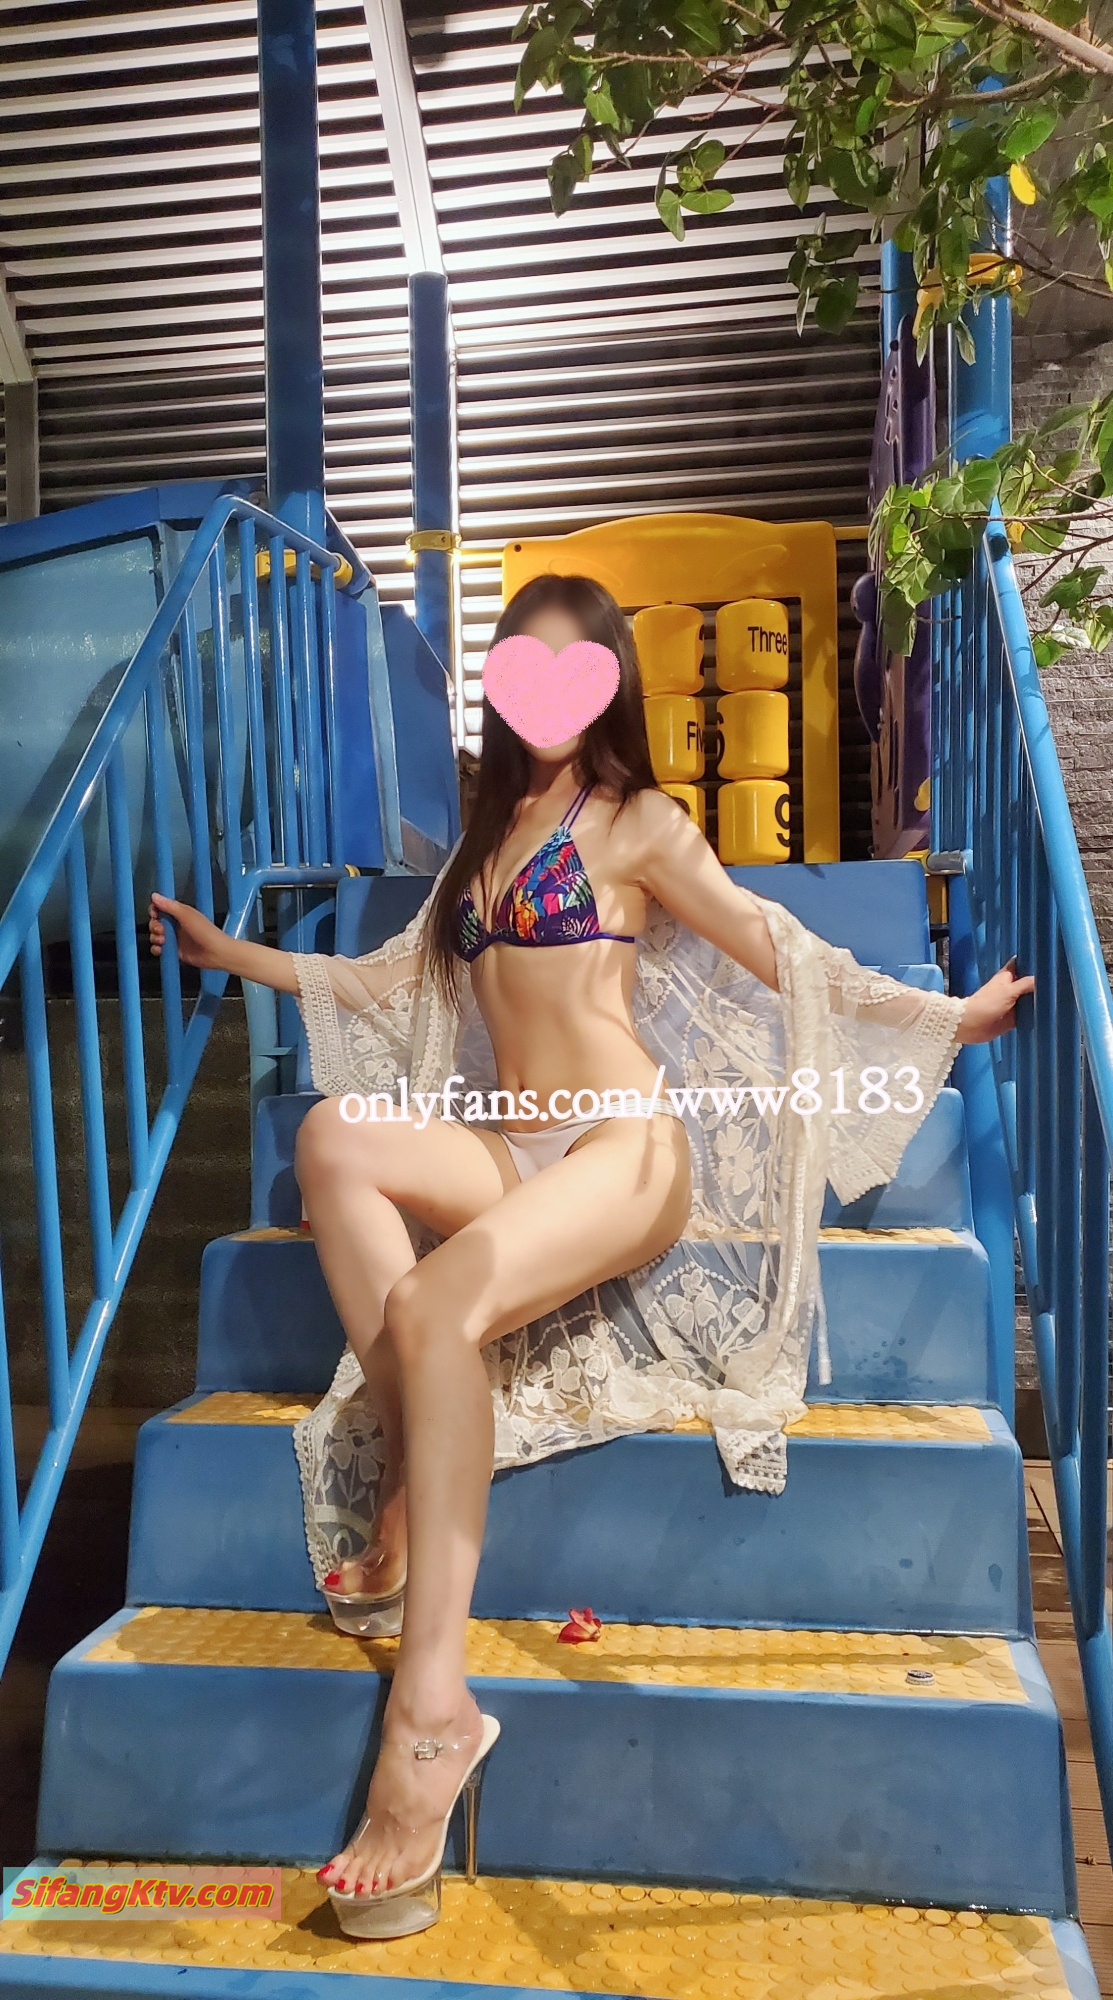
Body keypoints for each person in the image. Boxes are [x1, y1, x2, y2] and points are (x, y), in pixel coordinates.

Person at [149, 573, 1031, 1940]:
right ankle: (418, 1437)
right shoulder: (484, 839)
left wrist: (944, 1019)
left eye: (577, 666)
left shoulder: (638, 824)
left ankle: (431, 1713)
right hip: (511, 1145)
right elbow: (386, 984)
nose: (549, 693)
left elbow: (776, 951)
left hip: (626, 1148)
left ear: (612, 682)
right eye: (524, 664)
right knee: (331, 1137)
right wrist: (237, 953)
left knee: (435, 1303)